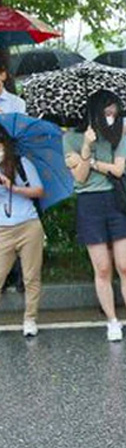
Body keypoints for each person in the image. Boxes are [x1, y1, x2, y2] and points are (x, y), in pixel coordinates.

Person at [64, 91, 126, 341]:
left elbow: (118, 170)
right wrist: (86, 146)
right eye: (107, 112)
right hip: (89, 203)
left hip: (116, 200)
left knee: (125, 264)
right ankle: (112, 320)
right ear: (96, 111)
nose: (111, 117)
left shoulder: (115, 136)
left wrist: (90, 160)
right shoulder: (71, 138)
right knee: (102, 267)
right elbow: (80, 177)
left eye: (114, 113)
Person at [0, 124, 44, 337]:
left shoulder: (21, 164)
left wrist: (13, 187)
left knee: (31, 276)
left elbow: (38, 191)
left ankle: (30, 319)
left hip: (29, 226)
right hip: (2, 230)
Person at [0, 61, 27, 296]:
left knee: (15, 217)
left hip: (12, 165)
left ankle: (19, 274)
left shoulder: (16, 104)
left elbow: (23, 135)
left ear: (3, 75)